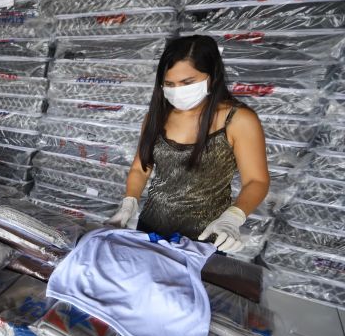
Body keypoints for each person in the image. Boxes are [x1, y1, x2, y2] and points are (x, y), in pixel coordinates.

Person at [106, 35, 270, 253]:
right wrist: (129, 202)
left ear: (212, 76)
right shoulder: (157, 116)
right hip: (151, 229)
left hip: (206, 237)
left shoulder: (238, 120)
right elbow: (140, 167)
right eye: (169, 84)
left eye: (188, 83)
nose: (178, 91)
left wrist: (233, 217)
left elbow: (256, 180)